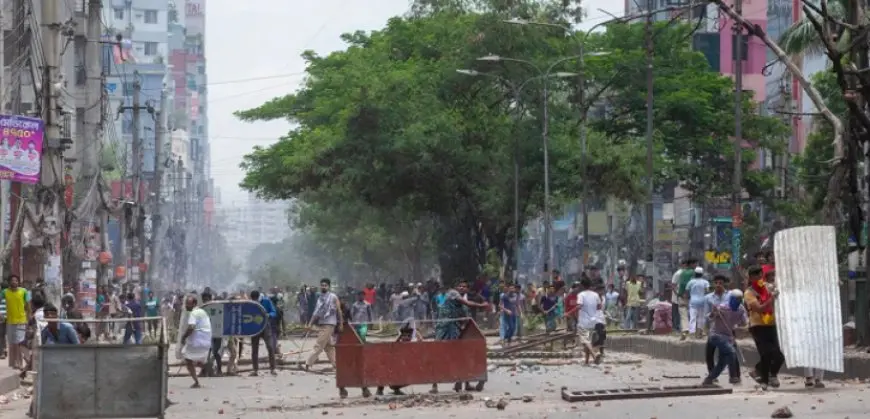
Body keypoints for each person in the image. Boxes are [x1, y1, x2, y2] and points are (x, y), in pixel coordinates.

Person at [431, 281, 489, 394]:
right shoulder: (452, 293)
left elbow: (467, 319)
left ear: (467, 289)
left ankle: (464, 382)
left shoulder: (463, 307)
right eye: (460, 286)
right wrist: (482, 305)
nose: (462, 288)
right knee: (438, 354)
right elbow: (468, 303)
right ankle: (434, 385)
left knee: (462, 354)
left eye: (464, 287)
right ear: (456, 287)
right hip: (444, 328)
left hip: (456, 330)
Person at [744, 265, 784, 390]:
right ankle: (765, 381)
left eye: (760, 274)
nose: (758, 277)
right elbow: (759, 309)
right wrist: (771, 298)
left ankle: (768, 373)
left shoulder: (769, 287)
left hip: (772, 324)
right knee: (766, 354)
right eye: (755, 275)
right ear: (750, 278)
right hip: (758, 326)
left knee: (779, 355)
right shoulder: (749, 293)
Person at [702, 289, 747, 386]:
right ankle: (733, 376)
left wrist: (738, 327)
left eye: (740, 300)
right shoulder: (722, 307)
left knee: (722, 362)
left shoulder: (741, 309)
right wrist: (713, 312)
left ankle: (709, 379)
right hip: (716, 336)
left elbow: (744, 323)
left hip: (728, 337)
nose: (737, 302)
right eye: (736, 299)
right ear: (731, 299)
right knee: (731, 352)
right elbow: (710, 318)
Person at [305, 278, 343, 387]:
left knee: (319, 344)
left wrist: (340, 324)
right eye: (322, 285)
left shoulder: (333, 297)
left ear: (329, 286)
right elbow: (316, 312)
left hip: (330, 323)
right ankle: (336, 365)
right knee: (329, 346)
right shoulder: (320, 298)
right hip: (322, 323)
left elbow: (338, 310)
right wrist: (310, 324)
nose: (323, 287)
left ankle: (308, 363)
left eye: (325, 285)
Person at [180, 295, 212, 388]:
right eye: (186, 303)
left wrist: (184, 337)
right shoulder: (202, 311)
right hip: (206, 341)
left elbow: (191, 327)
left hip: (197, 342)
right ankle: (203, 365)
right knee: (191, 357)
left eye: (188, 304)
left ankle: (197, 380)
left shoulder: (193, 313)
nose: (186, 306)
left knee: (187, 358)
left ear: (194, 304)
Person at [574, 278, 604, 365]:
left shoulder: (581, 295)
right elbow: (599, 306)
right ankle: (586, 361)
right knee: (588, 341)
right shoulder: (595, 295)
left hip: (583, 321)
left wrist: (571, 313)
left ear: (582, 286)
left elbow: (579, 306)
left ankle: (594, 355)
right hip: (593, 321)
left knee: (585, 341)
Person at [2, 275, 29, 369]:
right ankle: (11, 364)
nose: (14, 282)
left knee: (18, 343)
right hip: (10, 321)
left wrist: (29, 319)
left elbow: (28, 305)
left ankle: (20, 364)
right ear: (9, 282)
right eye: (12, 281)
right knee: (12, 344)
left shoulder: (24, 291)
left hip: (21, 321)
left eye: (16, 280)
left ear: (18, 282)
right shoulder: (5, 292)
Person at [250, 290, 278, 376]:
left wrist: (268, 315)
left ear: (259, 297)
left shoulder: (266, 301)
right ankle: (255, 370)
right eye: (253, 299)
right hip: (254, 328)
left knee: (270, 347)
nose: (255, 301)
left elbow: (274, 312)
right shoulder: (250, 303)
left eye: (256, 299)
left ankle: (273, 369)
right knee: (254, 349)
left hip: (266, 327)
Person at [685, 267, 710, 338]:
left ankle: (692, 333)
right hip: (702, 301)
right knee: (701, 318)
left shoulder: (691, 282)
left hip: (693, 302)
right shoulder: (705, 282)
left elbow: (686, 292)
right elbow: (707, 291)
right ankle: (699, 333)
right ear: (702, 274)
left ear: (695, 274)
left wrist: (688, 298)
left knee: (692, 318)